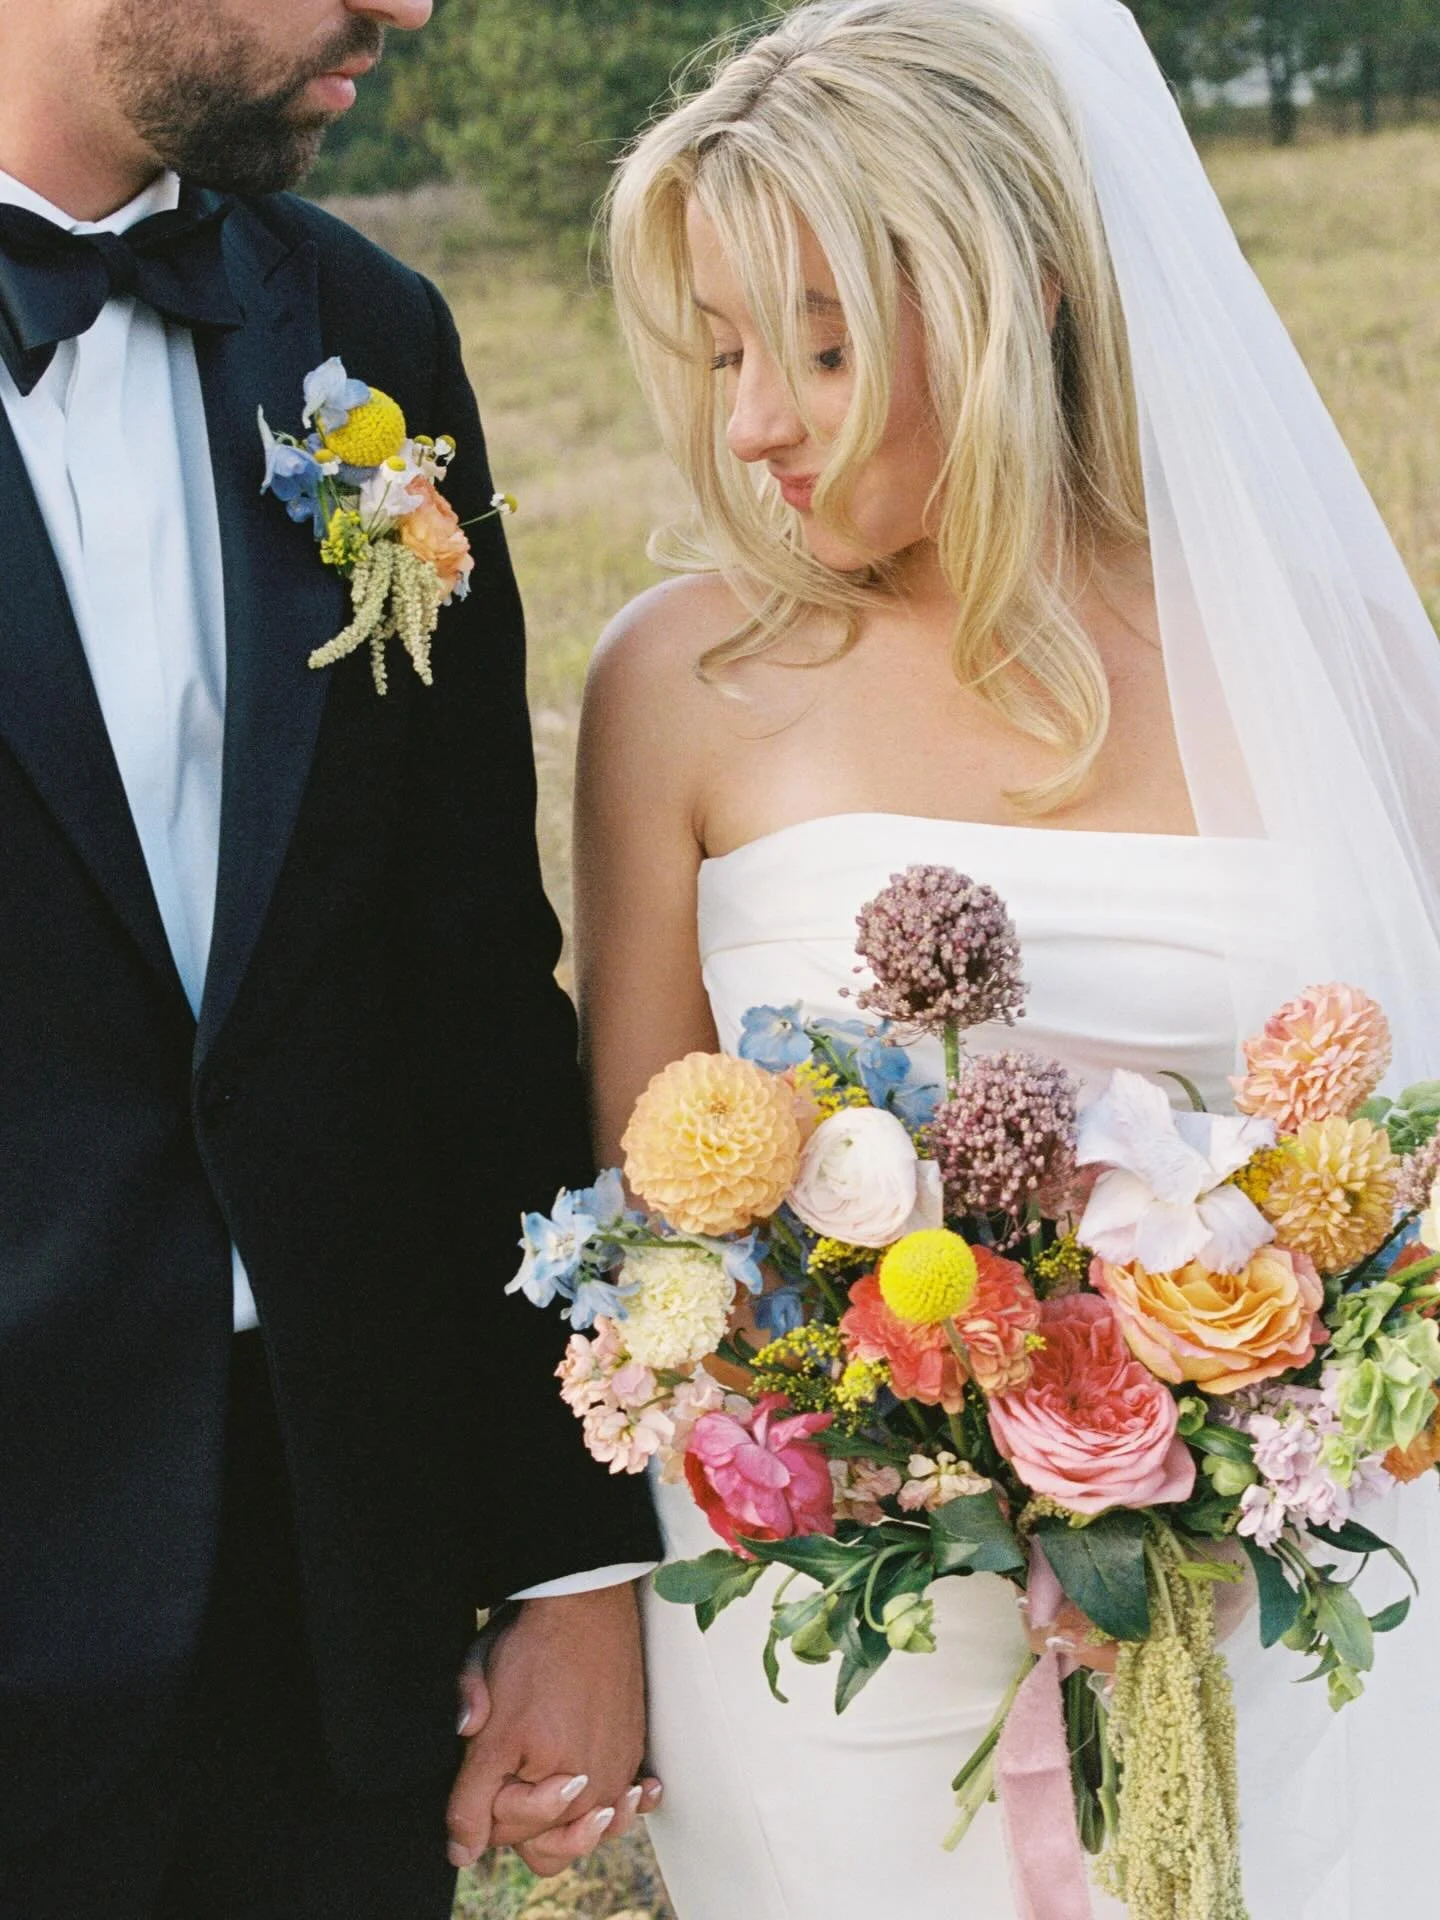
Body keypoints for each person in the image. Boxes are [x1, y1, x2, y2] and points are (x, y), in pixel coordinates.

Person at [581, 1, 1440, 1915]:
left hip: (1272, 1627)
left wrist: (1248, 1402)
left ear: (1017, 296)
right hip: (840, 1653)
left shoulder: (1337, 672)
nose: (753, 423)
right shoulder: (685, 684)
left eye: (818, 343)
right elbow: (640, 1231)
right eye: (724, 350)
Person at [0, 2, 662, 1914]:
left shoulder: (368, 337)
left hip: (327, 1616)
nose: (410, 6)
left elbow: (464, 969)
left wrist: (570, 1564)